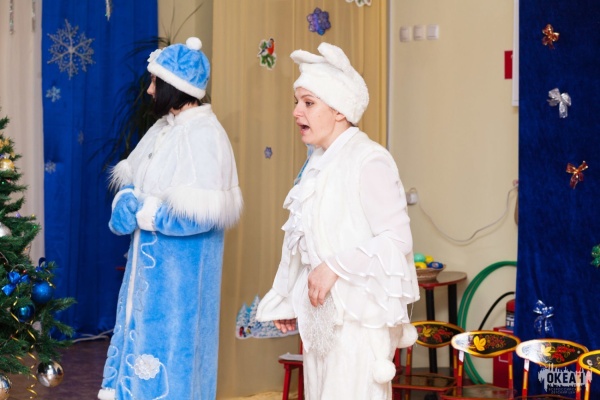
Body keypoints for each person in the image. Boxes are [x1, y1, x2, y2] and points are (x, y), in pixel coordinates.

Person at [256, 42, 420, 399]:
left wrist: (334, 267)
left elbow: (396, 240)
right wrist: (287, 298)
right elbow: (303, 242)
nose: (296, 111)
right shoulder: (317, 164)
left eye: (308, 103)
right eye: (297, 102)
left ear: (340, 111)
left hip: (358, 321)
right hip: (322, 319)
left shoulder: (369, 160)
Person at [98, 37, 243, 400]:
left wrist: (147, 213)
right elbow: (133, 181)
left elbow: (200, 216)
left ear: (174, 87)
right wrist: (126, 201)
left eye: (155, 82)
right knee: (136, 355)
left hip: (179, 285)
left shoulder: (206, 136)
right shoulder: (163, 129)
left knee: (172, 368)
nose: (149, 90)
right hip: (146, 278)